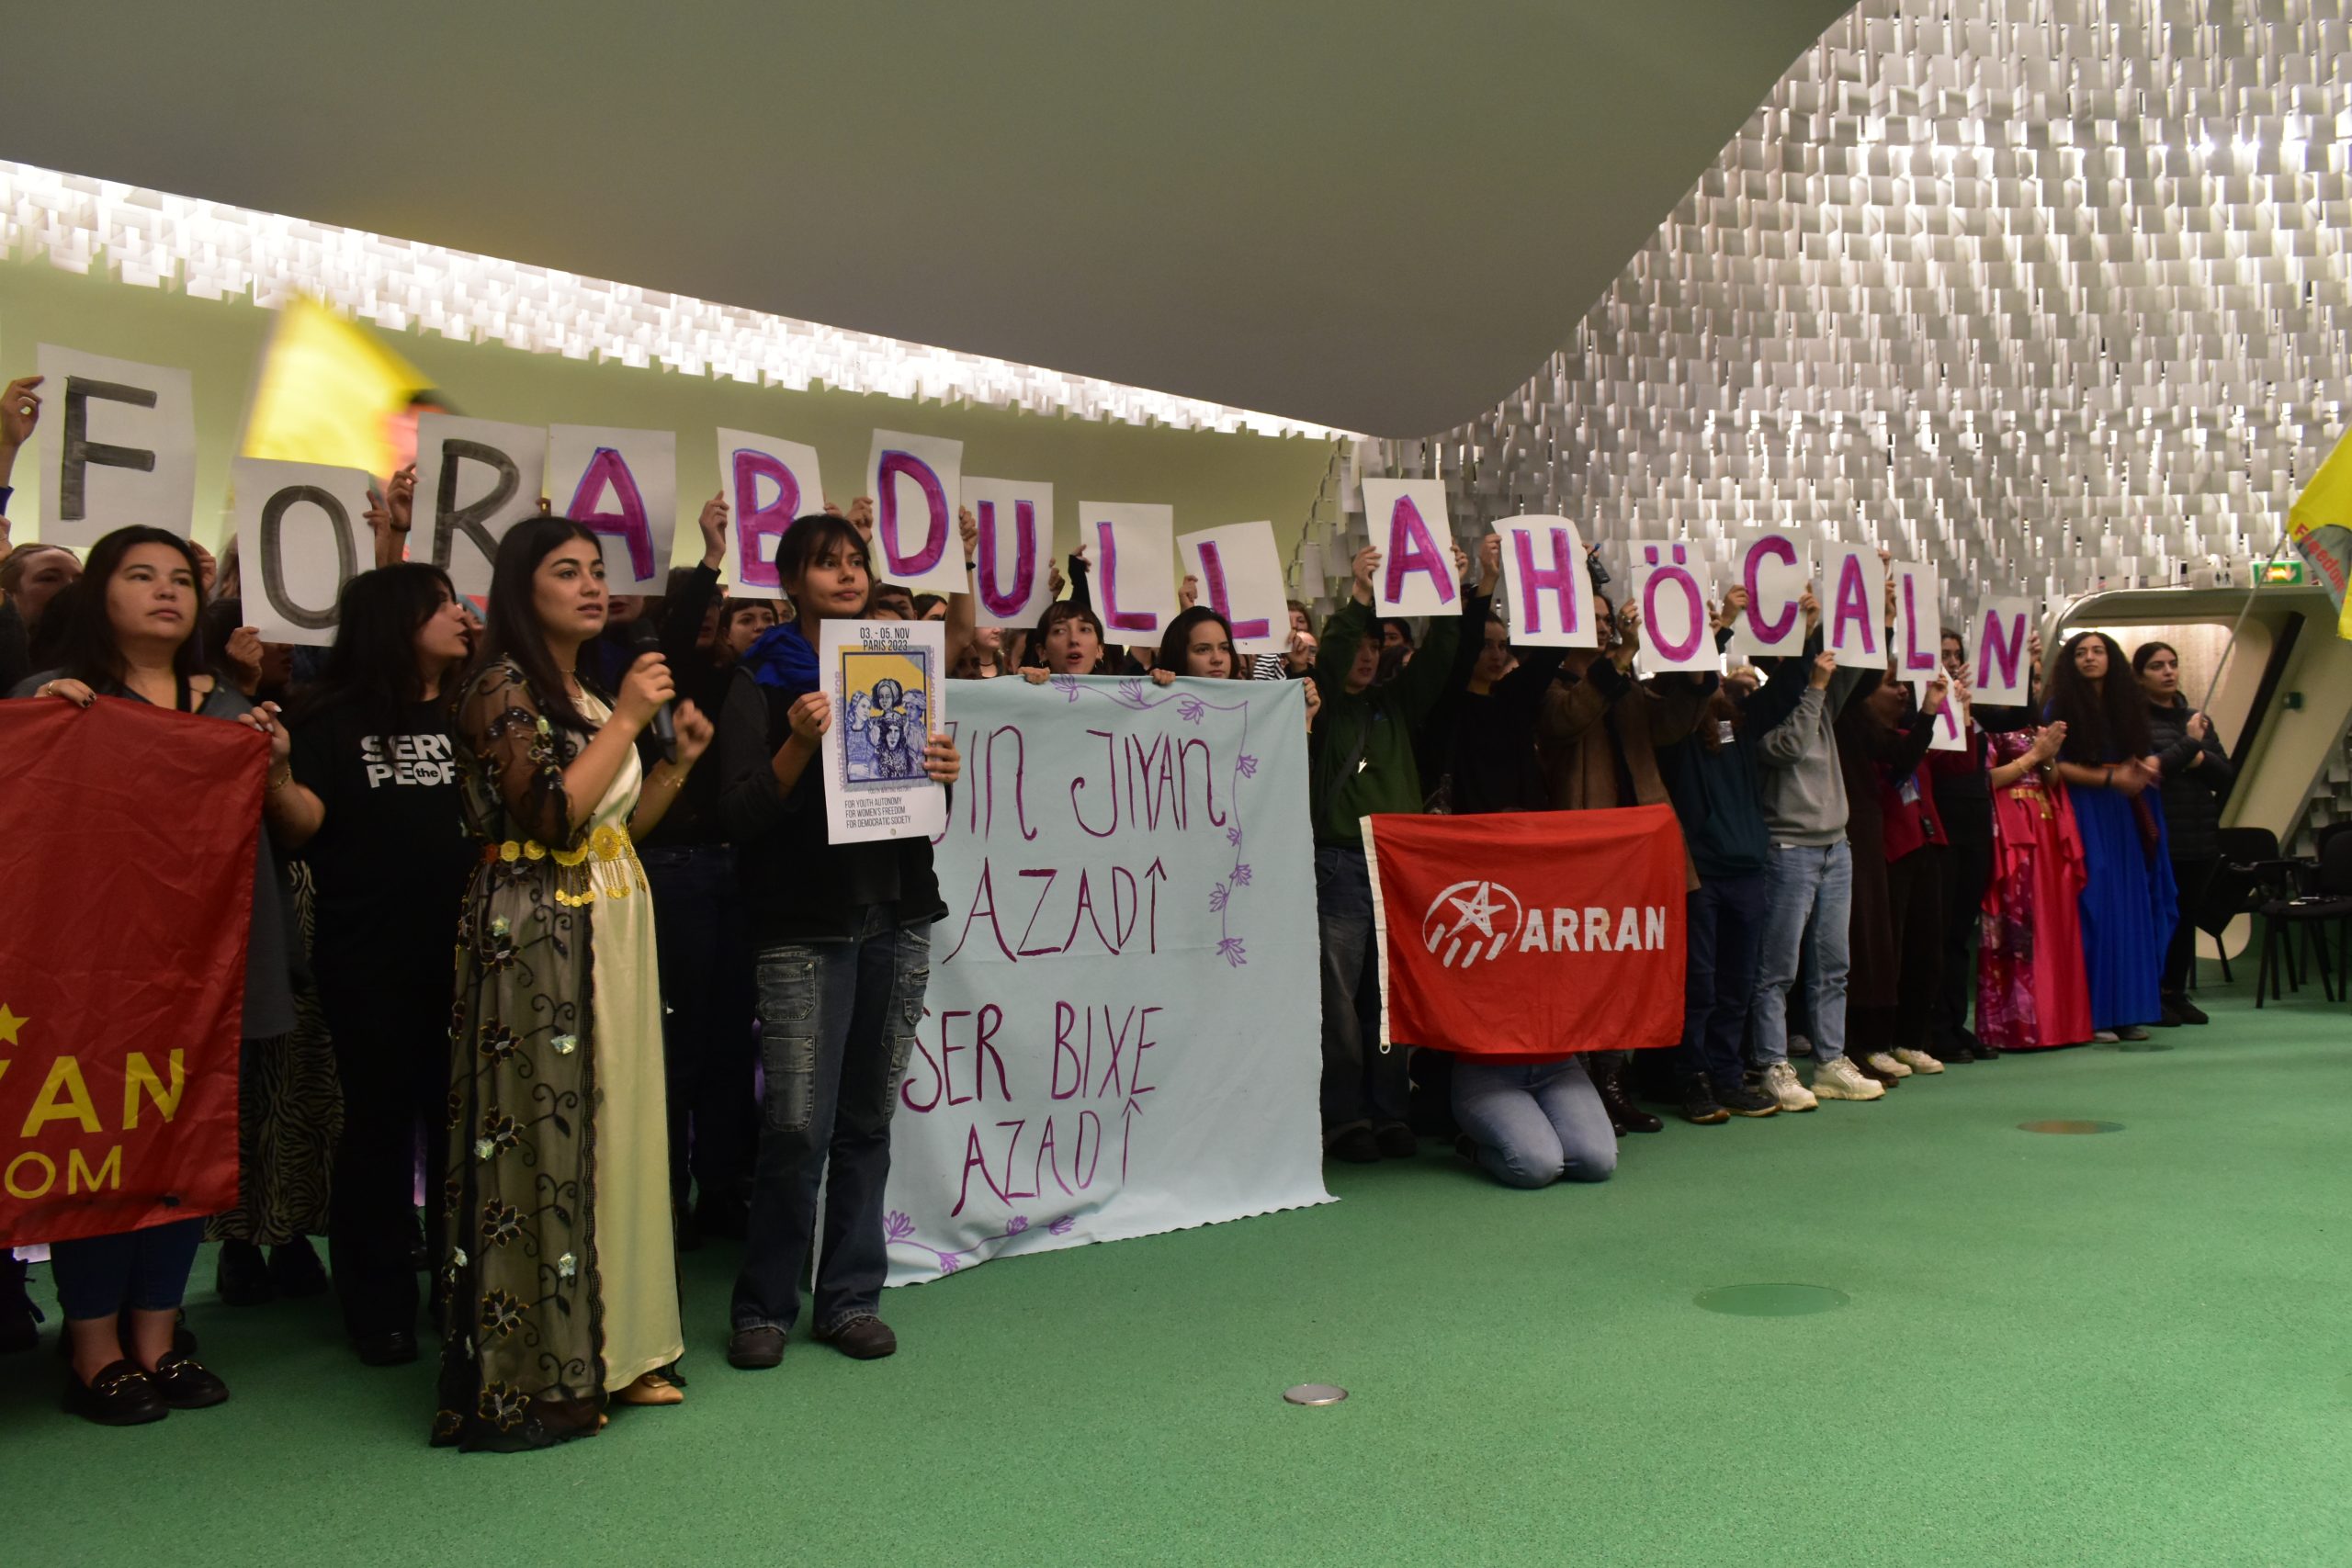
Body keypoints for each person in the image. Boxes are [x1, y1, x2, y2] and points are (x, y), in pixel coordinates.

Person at [435, 515, 714, 1450]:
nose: (592, 585)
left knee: (621, 1130)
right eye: (567, 571)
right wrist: (631, 719)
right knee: (552, 1136)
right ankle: (544, 1371)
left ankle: (622, 1348)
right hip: (541, 933)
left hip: (612, 919)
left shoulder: (585, 689)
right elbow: (548, 817)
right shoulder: (500, 686)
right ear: (523, 589)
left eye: (597, 570)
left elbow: (615, 827)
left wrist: (675, 763)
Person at [16, 525, 296, 1424]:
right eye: (141, 576)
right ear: (100, 593)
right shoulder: (56, 696)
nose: (167, 591)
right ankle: (92, 1344)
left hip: (210, 964)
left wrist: (275, 762)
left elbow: (292, 823)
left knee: (187, 1141)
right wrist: (43, 725)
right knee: (98, 1149)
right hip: (94, 971)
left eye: (180, 577)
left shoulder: (232, 705)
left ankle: (158, 1334)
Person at [718, 513, 962, 1372]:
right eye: (827, 563)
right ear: (791, 582)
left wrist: (940, 777)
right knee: (795, 1127)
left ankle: (851, 1297)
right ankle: (763, 1305)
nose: (848, 574)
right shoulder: (760, 679)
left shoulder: (903, 667)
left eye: (856, 560)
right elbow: (738, 812)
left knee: (868, 1121)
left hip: (896, 915)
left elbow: (925, 816)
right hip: (804, 924)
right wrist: (799, 741)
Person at [242, 563, 477, 1364]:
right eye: (440, 604)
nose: (460, 614)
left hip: (475, 954)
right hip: (369, 954)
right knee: (377, 1126)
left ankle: (465, 1290)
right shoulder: (330, 714)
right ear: (395, 621)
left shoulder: (477, 707)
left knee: (464, 1127)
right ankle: (378, 1306)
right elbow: (303, 824)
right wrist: (277, 771)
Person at [1533, 589, 1712, 1133]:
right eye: (1592, 618)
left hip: (1642, 852)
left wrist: (1698, 671)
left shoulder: (1626, 683)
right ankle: (1582, 1084)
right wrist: (1617, 662)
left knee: (1626, 971)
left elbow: (1671, 725)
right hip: (1588, 857)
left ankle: (1613, 1081)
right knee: (1586, 973)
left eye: (1607, 618)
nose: (1605, 626)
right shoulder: (1547, 684)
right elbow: (1566, 720)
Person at [635, 497, 762, 1245]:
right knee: (678, 1044)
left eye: (720, 606)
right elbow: (681, 630)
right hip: (672, 869)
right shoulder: (662, 676)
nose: (712, 615)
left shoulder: (738, 679)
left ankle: (719, 1189)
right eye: (702, 606)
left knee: (728, 1043)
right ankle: (667, 1196)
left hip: (732, 871)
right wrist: (712, 557)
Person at [1310, 545, 1463, 1163]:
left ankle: (1390, 1111)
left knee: (1390, 998)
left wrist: (1449, 593)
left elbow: (1444, 657)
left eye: (1378, 645)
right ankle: (1344, 1116)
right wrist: (1359, 597)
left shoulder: (1395, 704)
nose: (1368, 655)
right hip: (1340, 863)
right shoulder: (1322, 706)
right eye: (1360, 644)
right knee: (1339, 1003)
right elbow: (1332, 656)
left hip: (1396, 866)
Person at [1748, 614, 1888, 1110]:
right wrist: (1814, 689)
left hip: (1835, 846)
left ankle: (1830, 1061)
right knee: (1776, 969)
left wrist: (1877, 614)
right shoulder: (1759, 708)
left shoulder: (1823, 699)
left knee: (1834, 966)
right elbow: (1787, 748)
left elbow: (1856, 664)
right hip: (1788, 849)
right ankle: (1772, 1064)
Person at [1654, 625, 1784, 1124]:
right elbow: (1689, 690)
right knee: (1699, 985)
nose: (1709, 679)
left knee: (1737, 983)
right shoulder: (1669, 724)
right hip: (1699, 873)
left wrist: (1809, 637)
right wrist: (1716, 630)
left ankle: (1728, 1076)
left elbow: (1787, 690)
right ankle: (1692, 1077)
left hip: (1746, 869)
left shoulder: (1739, 723)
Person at [2045, 632, 2177, 1042]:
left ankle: (2129, 1011)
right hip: (2083, 808)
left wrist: (2140, 770)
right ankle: (2095, 1014)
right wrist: (2110, 779)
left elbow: (2134, 756)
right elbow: (2053, 767)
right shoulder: (2058, 707)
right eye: (2081, 653)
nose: (2089, 658)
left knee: (2130, 906)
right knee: (2095, 904)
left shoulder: (2127, 705)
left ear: (2111, 659)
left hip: (2123, 811)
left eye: (2098, 651)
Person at [1926, 628, 2038, 1062]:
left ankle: (1955, 1024)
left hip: (1975, 826)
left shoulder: (1971, 708)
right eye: (1944, 654)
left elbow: (2017, 716)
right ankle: (1933, 1028)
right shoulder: (1921, 707)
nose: (1953, 661)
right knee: (1938, 932)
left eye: (1957, 654)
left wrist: (2021, 666)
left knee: (1958, 934)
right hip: (1940, 825)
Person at [1977, 720, 2091, 1050]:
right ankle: (2016, 1027)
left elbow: (2050, 779)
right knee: (2018, 920)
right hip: (2011, 828)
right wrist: (2034, 756)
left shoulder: (2033, 727)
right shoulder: (1986, 728)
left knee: (2053, 922)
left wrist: (2048, 757)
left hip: (2046, 827)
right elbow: (1985, 779)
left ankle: (2059, 1022)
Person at [2136, 641, 2232, 1025]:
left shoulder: (2197, 718)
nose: (2168, 672)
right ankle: (2150, 992)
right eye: (2157, 666)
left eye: (2172, 664)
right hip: (2159, 836)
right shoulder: (2135, 721)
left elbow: (2225, 774)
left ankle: (2175, 990)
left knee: (2186, 917)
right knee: (2156, 916)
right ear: (2140, 677)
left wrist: (2199, 756)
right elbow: (2150, 768)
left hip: (2200, 836)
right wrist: (2190, 747)